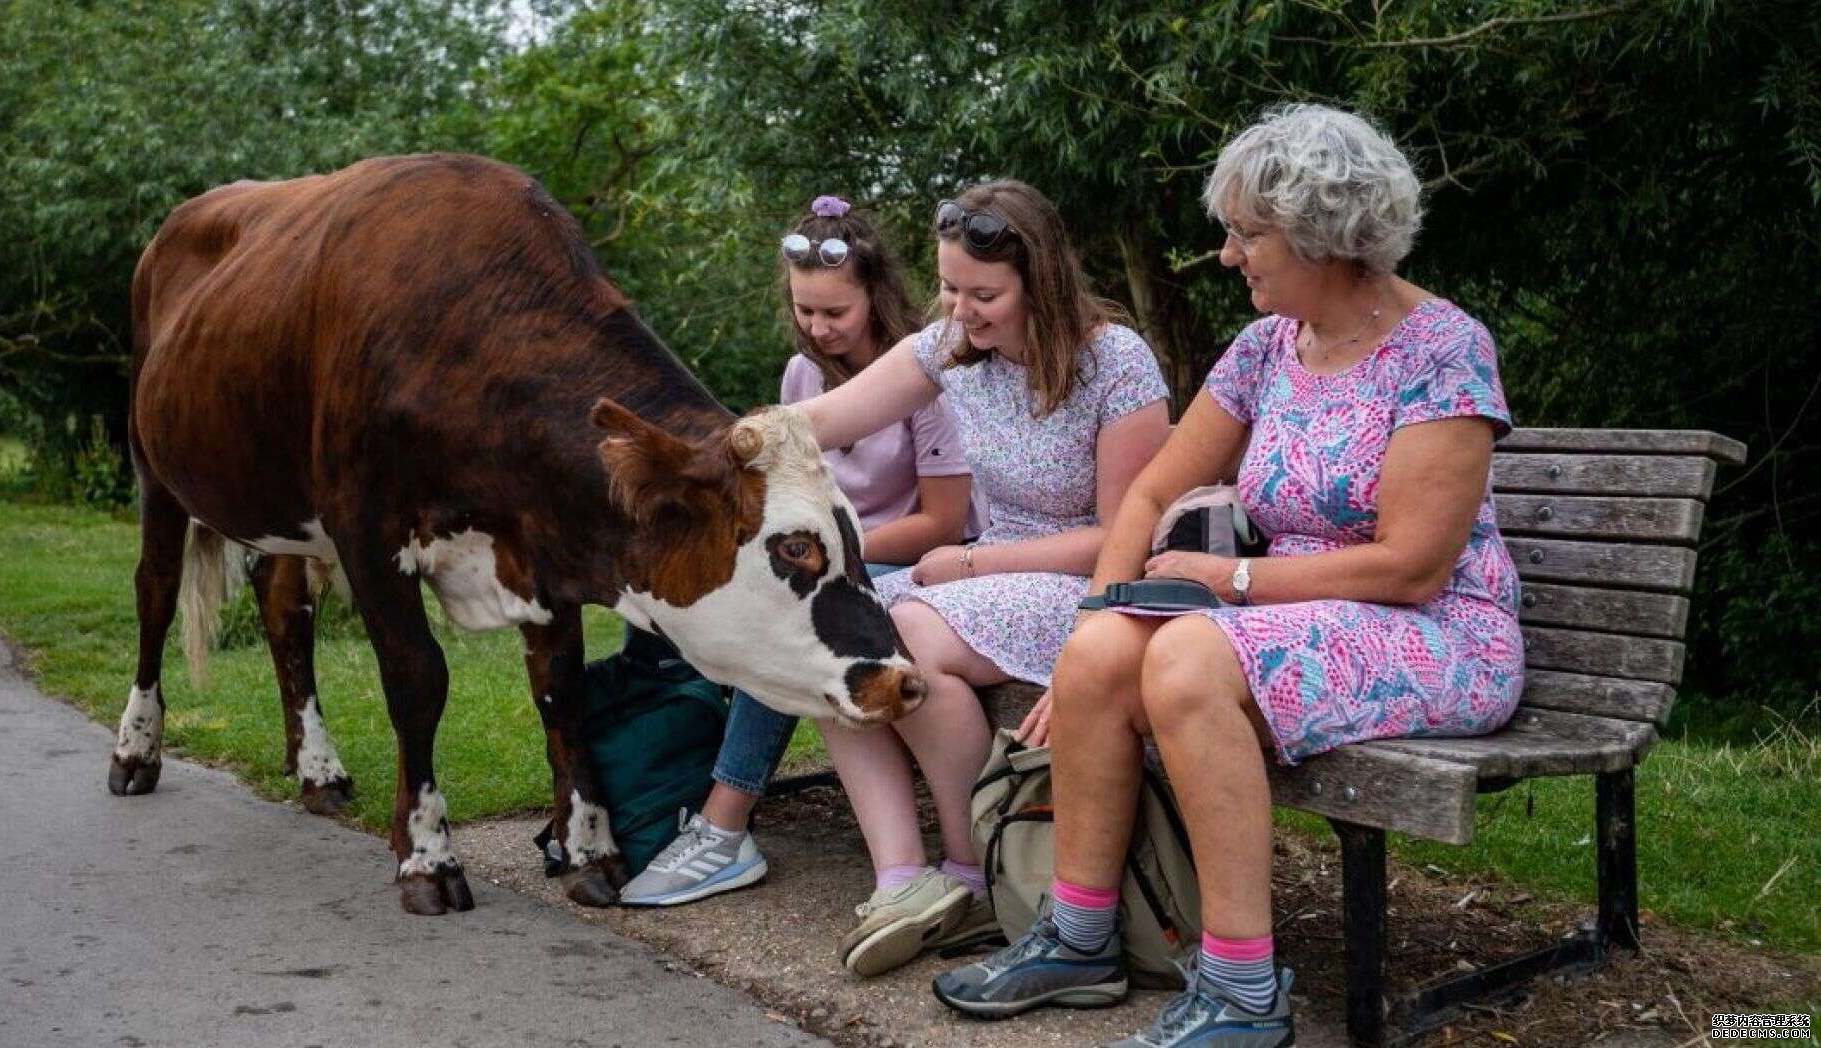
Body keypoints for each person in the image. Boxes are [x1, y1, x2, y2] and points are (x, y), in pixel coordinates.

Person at [930, 104, 1525, 1047]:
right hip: (1296, 615)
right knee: (1100, 656)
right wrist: (1096, 615)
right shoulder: (1264, 348)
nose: (1227, 253)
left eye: (1248, 233)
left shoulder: (1443, 350)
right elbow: (1148, 493)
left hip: (1436, 630)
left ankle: (1244, 993)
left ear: (1324, 237)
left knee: (1185, 661)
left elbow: (1414, 567)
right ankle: (1081, 937)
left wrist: (1228, 582)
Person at [791, 180, 1171, 976]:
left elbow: (1120, 539)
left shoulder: (1117, 363)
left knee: (914, 629)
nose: (961, 310)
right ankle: (901, 875)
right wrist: (725, 448)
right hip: (985, 584)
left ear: (1043, 282)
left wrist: (967, 561)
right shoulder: (951, 348)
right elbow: (828, 416)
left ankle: (975, 871)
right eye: (950, 288)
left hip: (1083, 589)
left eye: (984, 294)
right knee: (825, 635)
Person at [618, 195, 976, 907]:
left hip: (910, 557)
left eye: (834, 313)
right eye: (805, 311)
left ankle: (725, 822)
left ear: (874, 297)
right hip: (835, 566)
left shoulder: (930, 381)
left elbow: (943, 519)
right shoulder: (800, 377)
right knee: (762, 599)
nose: (818, 328)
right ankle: (685, 796)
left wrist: (832, 560)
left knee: (798, 610)